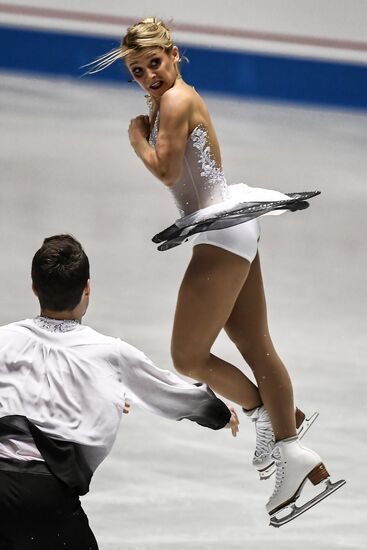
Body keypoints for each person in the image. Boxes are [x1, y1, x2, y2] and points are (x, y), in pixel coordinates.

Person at [86, 17, 345, 526]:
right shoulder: (170, 101)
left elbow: (163, 167)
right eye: (137, 71)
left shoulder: (177, 102)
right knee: (257, 344)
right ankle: (292, 447)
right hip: (229, 227)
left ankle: (268, 421)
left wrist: (136, 136)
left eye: (154, 64)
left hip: (221, 232)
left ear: (175, 55)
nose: (148, 76)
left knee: (187, 356)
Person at [0, 234, 239, 549]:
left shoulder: (4, 340)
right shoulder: (110, 354)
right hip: (47, 497)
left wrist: (101, 396)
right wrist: (220, 415)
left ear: (34, 287)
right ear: (87, 287)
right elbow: (172, 394)